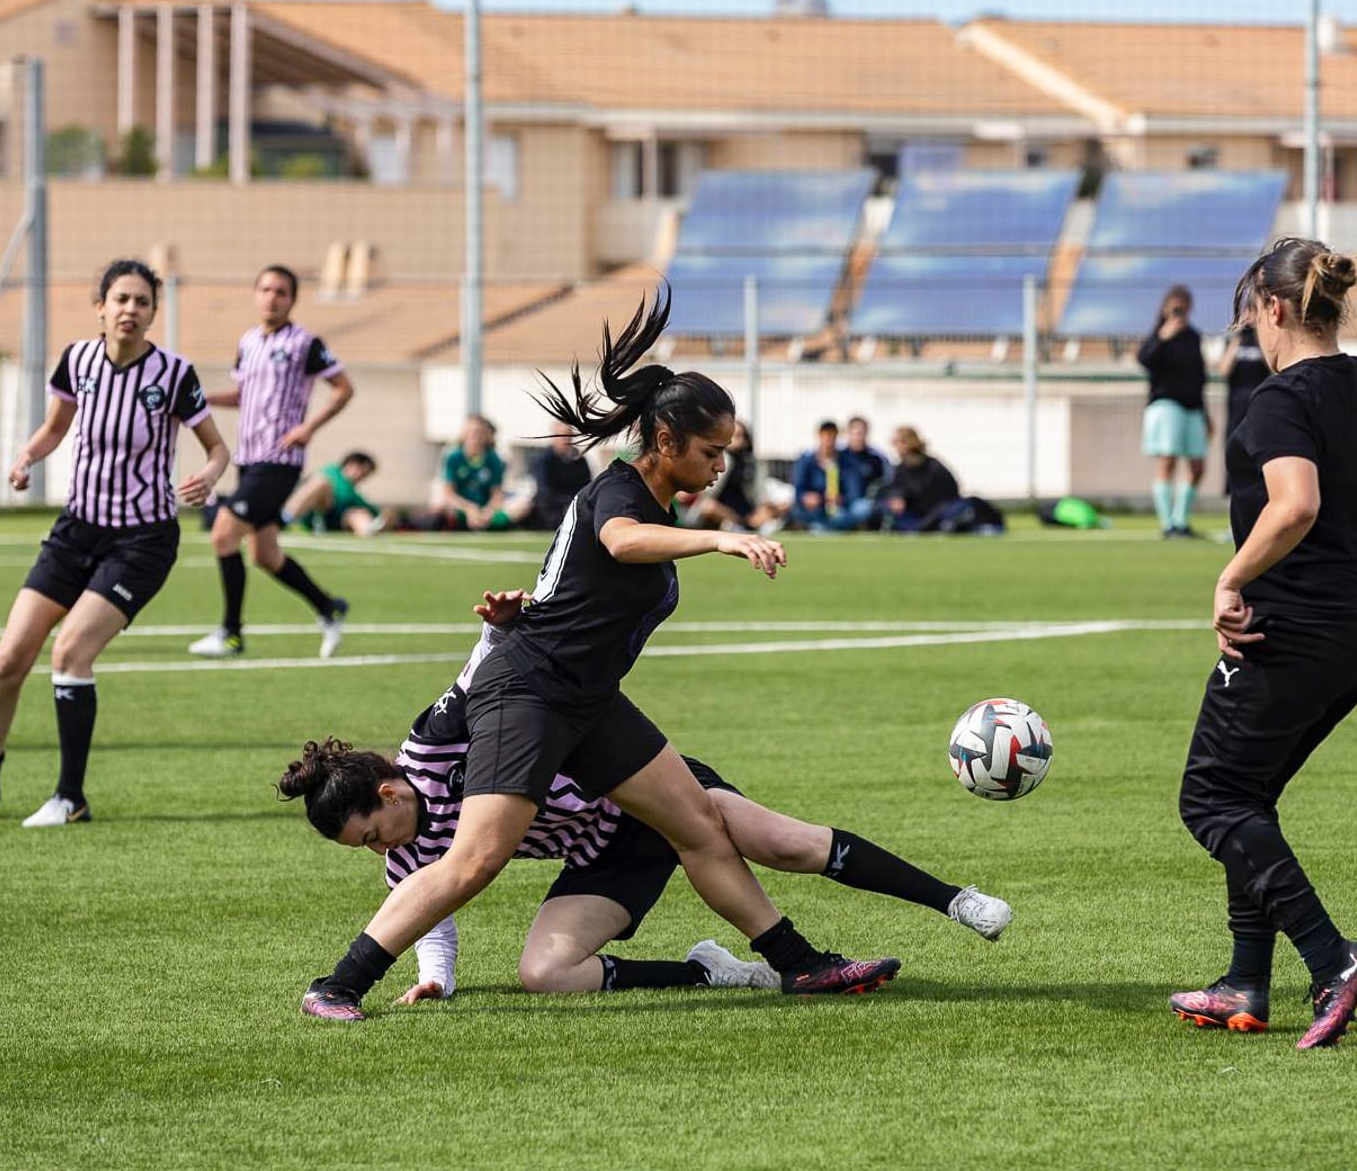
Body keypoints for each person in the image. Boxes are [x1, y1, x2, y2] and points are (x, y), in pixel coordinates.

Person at [297, 290, 899, 1023]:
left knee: (700, 827)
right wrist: (722, 538)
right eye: (713, 451)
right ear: (670, 439)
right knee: (478, 859)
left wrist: (497, 630)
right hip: (537, 690)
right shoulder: (619, 492)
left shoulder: (647, 496)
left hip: (581, 698)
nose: (720, 466)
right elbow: (617, 545)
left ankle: (801, 967)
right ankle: (338, 985)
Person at [281, 592, 1011, 1010]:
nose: (382, 850)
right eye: (368, 850)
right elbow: (430, 911)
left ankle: (955, 900)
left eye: (373, 833)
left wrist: (499, 623)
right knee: (545, 974)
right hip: (605, 852)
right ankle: (709, 970)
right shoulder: (409, 851)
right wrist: (435, 978)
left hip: (643, 783)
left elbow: (488, 677)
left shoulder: (430, 752)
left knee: (784, 845)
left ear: (389, 789)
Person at [1171, 238, 1357, 1050]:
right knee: (1247, 799)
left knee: (1213, 800)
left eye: (1248, 315)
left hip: (1290, 629)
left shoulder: (1280, 398)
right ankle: (1243, 983)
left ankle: (1332, 959)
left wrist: (1229, 579)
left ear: (1272, 307)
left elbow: (1293, 505)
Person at [0, 259, 229, 827]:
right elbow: (57, 426)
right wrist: (26, 458)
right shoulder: (78, 360)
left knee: (69, 653)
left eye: (142, 301)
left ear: (153, 312)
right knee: (10, 656)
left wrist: (208, 477)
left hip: (142, 540)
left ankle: (70, 797)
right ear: (101, 308)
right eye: (121, 300)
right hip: (74, 531)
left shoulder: (174, 374)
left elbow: (216, 449)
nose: (131, 310)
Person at [189, 266, 353, 661]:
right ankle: (329, 607)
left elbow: (344, 388)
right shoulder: (247, 342)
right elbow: (243, 395)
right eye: (265, 289)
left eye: (281, 291)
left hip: (279, 461)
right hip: (249, 460)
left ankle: (231, 635)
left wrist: (309, 427)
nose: (272, 297)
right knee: (264, 554)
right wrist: (201, 399)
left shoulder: (305, 343)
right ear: (255, 294)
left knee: (223, 534)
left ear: (292, 300)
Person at [1138, 285, 1209, 538]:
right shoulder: (1158, 336)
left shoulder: (1193, 337)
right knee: (1167, 460)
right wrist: (1162, 337)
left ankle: (1180, 520)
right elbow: (1144, 360)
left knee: (1197, 465)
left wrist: (1206, 414)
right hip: (1166, 403)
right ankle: (1168, 523)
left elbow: (1200, 377)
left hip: (1192, 406)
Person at [421, 415, 515, 531]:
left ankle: (485, 524)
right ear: (463, 434)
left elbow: (497, 493)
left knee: (514, 511)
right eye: (471, 432)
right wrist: (468, 509)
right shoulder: (453, 457)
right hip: (460, 508)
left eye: (479, 432)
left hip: (484, 508)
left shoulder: (495, 459)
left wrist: (488, 511)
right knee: (440, 511)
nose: (475, 436)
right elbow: (448, 493)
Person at [883, 427, 972, 533]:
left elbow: (950, 495)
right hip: (914, 514)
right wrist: (897, 497)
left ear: (907, 444)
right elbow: (896, 488)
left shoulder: (934, 467)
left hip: (936, 513)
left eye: (896, 443)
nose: (894, 447)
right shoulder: (900, 469)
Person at [286, 451, 383, 535]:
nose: (362, 477)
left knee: (357, 514)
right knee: (321, 484)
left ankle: (368, 531)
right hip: (315, 515)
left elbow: (362, 505)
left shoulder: (352, 491)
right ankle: (287, 520)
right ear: (351, 464)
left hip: (333, 521)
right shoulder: (331, 473)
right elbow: (345, 497)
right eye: (362, 471)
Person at [525, 422, 593, 529]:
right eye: (560, 436)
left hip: (574, 503)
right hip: (551, 506)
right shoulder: (545, 459)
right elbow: (544, 489)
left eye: (567, 436)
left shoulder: (579, 460)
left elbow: (587, 486)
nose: (565, 439)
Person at [788, 420, 847, 532]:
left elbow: (851, 489)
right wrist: (806, 497)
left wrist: (841, 497)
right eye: (826, 436)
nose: (829, 441)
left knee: (849, 513)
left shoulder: (843, 462)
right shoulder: (805, 461)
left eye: (832, 437)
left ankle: (823, 527)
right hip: (813, 508)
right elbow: (798, 489)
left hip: (836, 507)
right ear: (819, 436)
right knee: (798, 511)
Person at [1220, 323, 1271, 450]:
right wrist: (1236, 340)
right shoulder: (1233, 341)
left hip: (1259, 404)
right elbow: (1223, 371)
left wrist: (1261, 338)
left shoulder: (1263, 340)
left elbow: (1272, 366)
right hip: (1236, 407)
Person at [838, 416, 890, 529]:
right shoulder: (839, 457)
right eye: (856, 433)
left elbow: (886, 482)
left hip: (865, 504)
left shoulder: (875, 459)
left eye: (862, 433)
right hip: (840, 505)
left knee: (862, 509)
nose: (859, 437)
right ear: (849, 433)